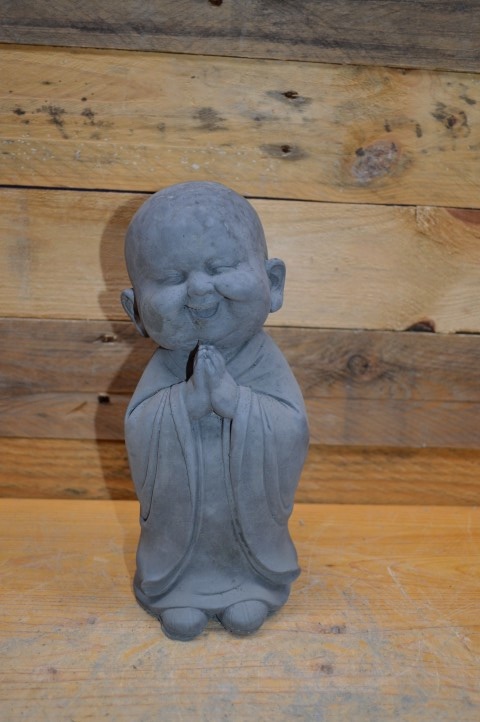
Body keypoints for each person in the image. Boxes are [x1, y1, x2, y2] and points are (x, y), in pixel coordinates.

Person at [121, 181, 309, 641]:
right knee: (181, 602)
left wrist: (235, 403)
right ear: (136, 312)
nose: (199, 289)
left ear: (274, 283)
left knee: (246, 593)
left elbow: (292, 428)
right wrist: (185, 404)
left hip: (247, 533)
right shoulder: (166, 365)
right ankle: (179, 593)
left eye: (220, 268)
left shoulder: (263, 359)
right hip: (181, 539)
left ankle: (250, 586)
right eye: (171, 278)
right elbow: (140, 429)